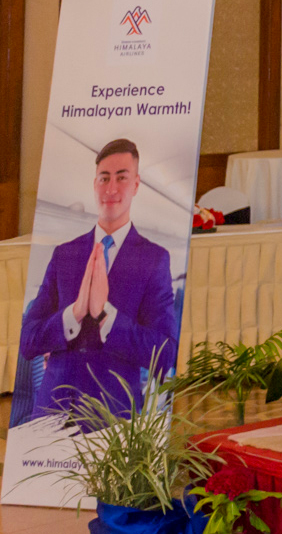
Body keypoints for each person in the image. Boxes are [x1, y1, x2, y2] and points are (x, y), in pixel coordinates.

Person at [13, 139, 179, 423]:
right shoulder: (65, 254)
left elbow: (165, 354)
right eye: (104, 178)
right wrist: (74, 313)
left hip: (112, 418)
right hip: (50, 415)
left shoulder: (153, 259)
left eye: (121, 178)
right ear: (94, 184)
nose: (111, 189)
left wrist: (105, 314)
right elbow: (28, 341)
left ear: (136, 185)